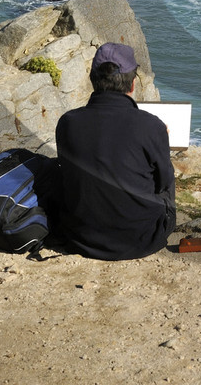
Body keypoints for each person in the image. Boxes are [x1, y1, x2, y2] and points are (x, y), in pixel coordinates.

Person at [53, 41, 176, 260]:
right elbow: (163, 183)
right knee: (166, 176)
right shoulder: (151, 126)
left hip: (79, 237)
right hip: (141, 240)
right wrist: (161, 141)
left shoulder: (67, 122)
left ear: (93, 80)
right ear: (133, 84)